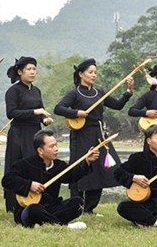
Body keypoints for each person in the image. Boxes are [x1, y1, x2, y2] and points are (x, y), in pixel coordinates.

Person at [53, 58, 134, 215]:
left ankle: (89, 208)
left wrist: (128, 92)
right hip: (81, 135)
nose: (94, 75)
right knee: (79, 167)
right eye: (90, 72)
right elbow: (58, 108)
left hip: (99, 134)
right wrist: (76, 113)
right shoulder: (74, 93)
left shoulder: (100, 92)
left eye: (95, 72)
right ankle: (76, 206)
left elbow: (117, 105)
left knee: (100, 170)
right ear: (81, 74)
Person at [1, 129, 99, 228]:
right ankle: (62, 226)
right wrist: (29, 185)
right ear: (40, 150)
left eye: (56, 145)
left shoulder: (59, 165)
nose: (56, 149)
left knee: (78, 203)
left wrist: (87, 161)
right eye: (52, 146)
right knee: (33, 210)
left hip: (52, 207)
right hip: (29, 209)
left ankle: (44, 223)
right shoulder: (25, 164)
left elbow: (73, 175)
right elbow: (7, 180)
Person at [4, 56, 53, 212]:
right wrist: (35, 111)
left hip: (35, 132)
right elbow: (11, 113)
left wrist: (45, 118)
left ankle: (34, 200)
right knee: (17, 165)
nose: (32, 72)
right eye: (29, 69)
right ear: (20, 72)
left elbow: (41, 112)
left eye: (34, 69)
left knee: (35, 165)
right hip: (18, 133)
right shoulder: (13, 91)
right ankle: (13, 204)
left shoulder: (36, 90)